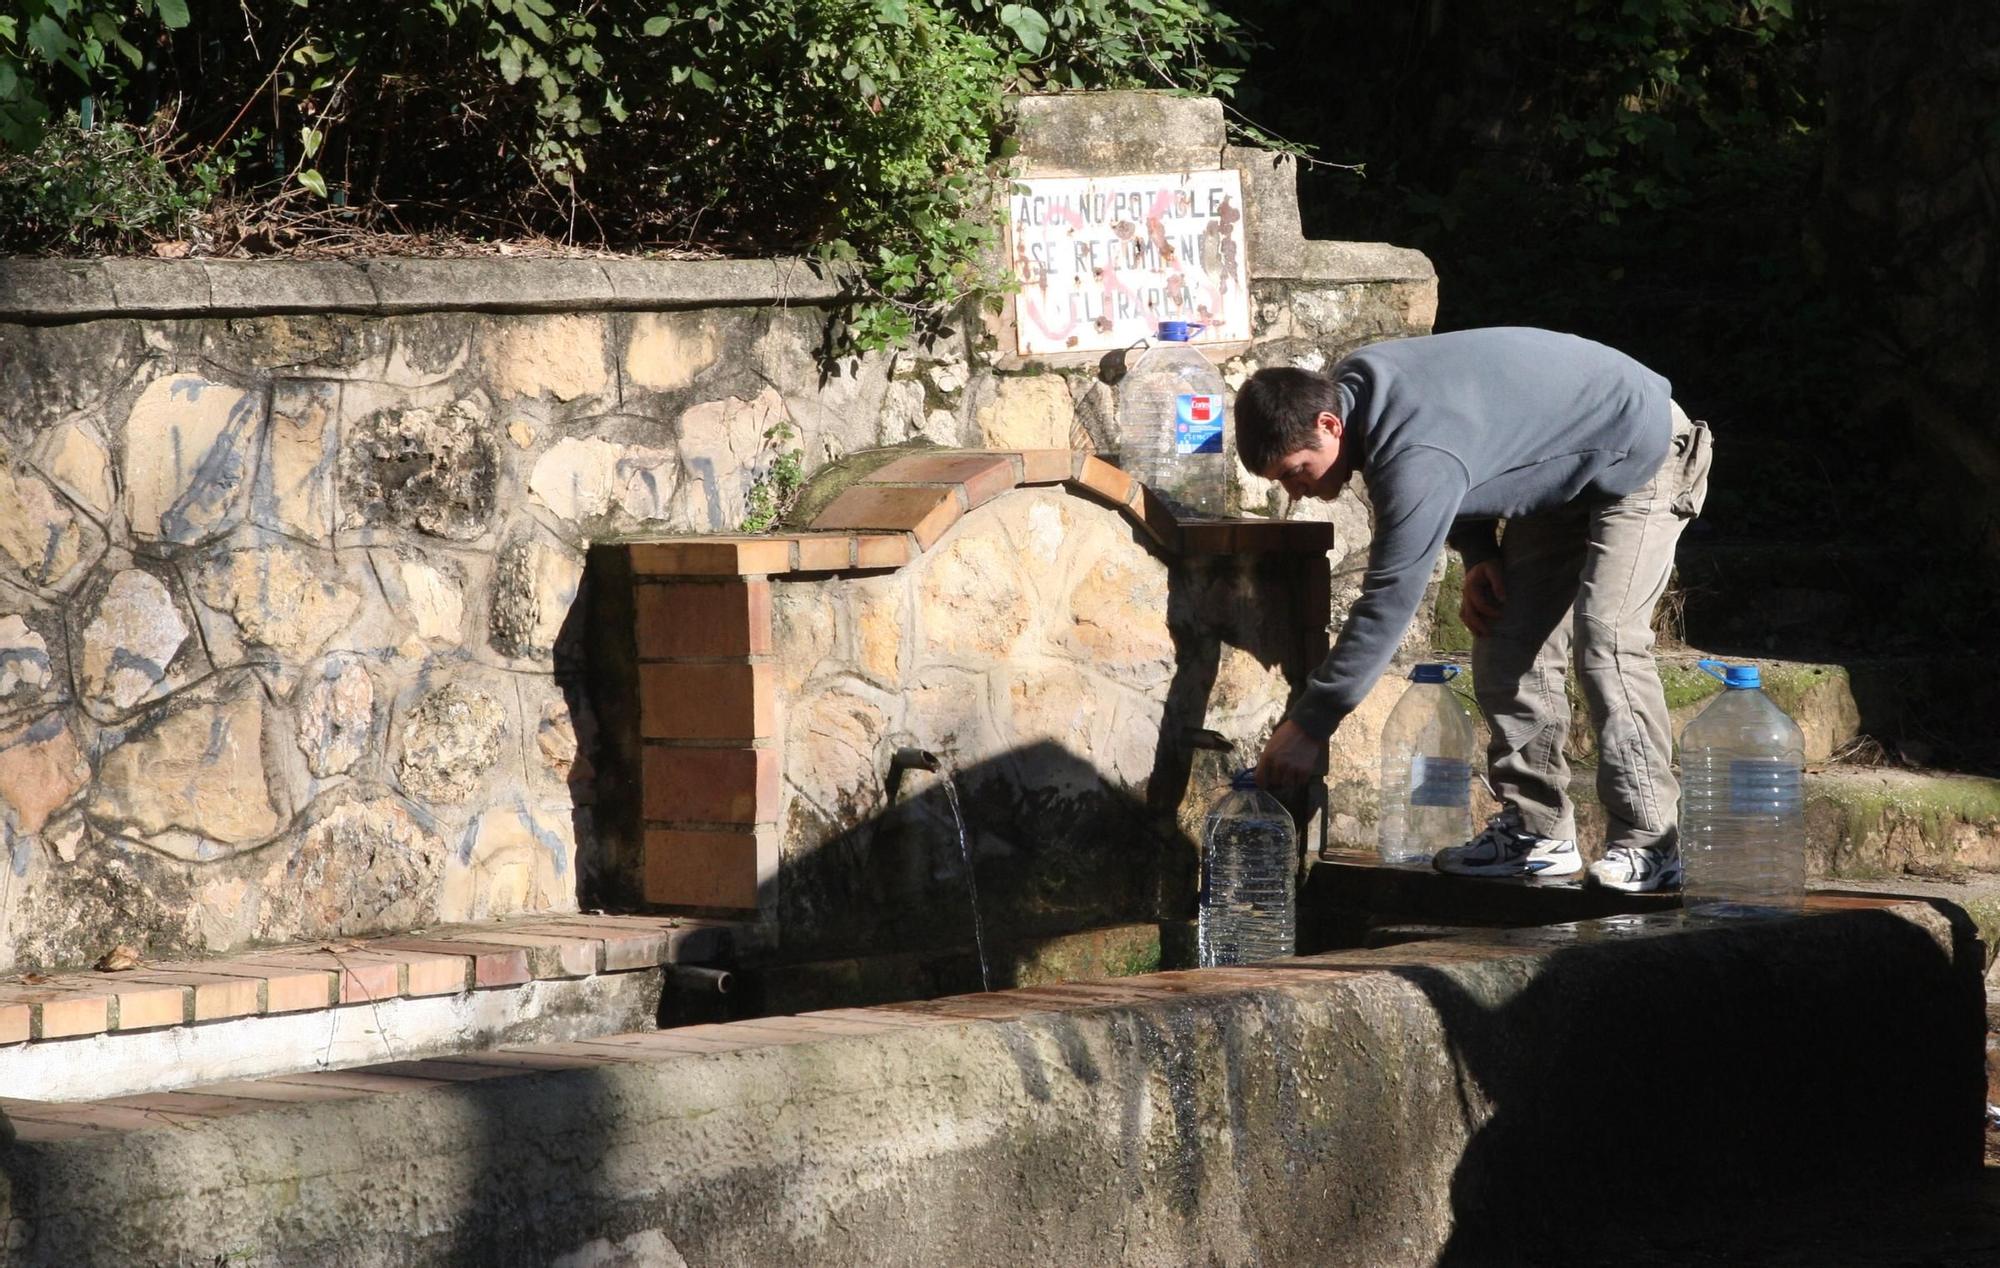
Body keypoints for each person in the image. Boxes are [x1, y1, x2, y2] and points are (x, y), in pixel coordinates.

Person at [1237, 327, 1712, 892]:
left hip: (1642, 448)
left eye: (1296, 471)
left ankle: (1649, 843)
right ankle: (1537, 836)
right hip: (1560, 465)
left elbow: (1388, 599)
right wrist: (1482, 549)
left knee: (1606, 638)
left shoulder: (1409, 449)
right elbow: (1478, 438)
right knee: (1506, 634)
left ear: (1329, 424)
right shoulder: (1360, 390)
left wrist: (1310, 724)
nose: (1296, 491)